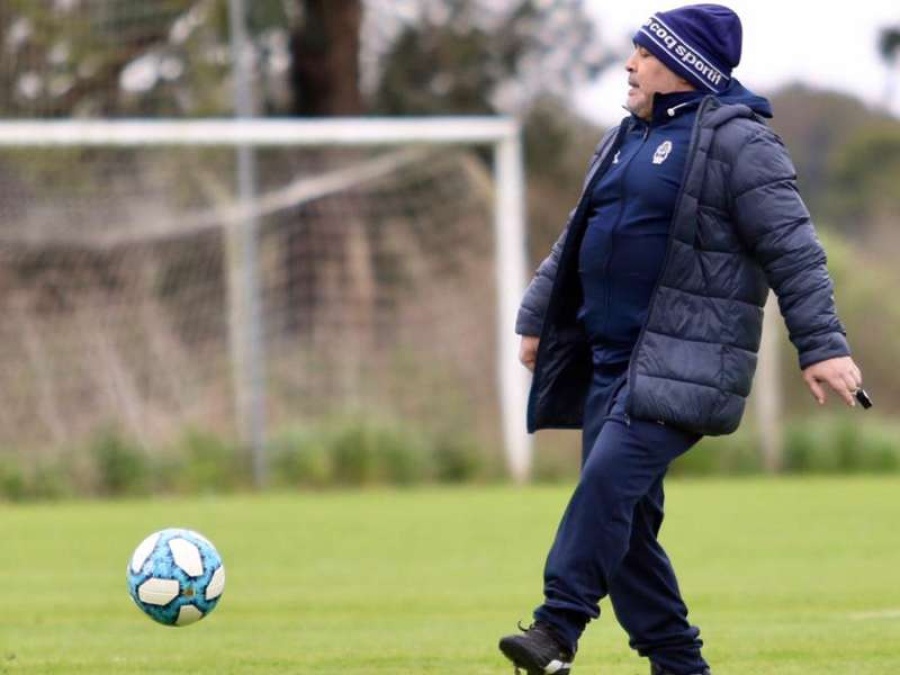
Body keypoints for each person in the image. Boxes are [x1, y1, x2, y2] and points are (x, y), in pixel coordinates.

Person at [497, 4, 865, 675]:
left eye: (645, 53)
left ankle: (557, 625)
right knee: (628, 530)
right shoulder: (621, 137)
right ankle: (678, 665)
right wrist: (537, 315)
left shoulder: (740, 142)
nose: (630, 64)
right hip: (611, 361)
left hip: (685, 358)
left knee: (607, 484)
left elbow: (794, 249)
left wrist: (823, 345)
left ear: (683, 68)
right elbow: (578, 236)